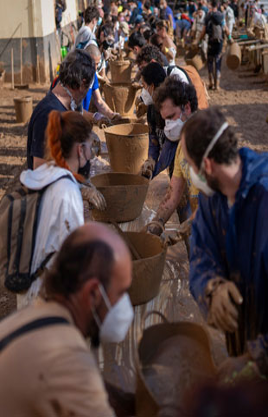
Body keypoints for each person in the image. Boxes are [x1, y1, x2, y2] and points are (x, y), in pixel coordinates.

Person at [0, 222, 134, 416]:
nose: (124, 303)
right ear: (94, 293)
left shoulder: (30, 317)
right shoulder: (67, 360)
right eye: (121, 292)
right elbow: (68, 373)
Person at [180, 107, 268, 379]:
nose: (192, 175)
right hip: (241, 336)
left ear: (206, 165)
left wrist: (258, 356)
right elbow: (201, 255)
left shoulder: (264, 196)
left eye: (190, 166)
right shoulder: (212, 198)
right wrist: (211, 288)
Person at [19, 110, 106, 308]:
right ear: (79, 150)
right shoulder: (67, 191)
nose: (91, 152)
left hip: (28, 284)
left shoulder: (40, 174)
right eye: (89, 146)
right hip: (47, 293)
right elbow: (72, 258)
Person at [144, 76, 199, 255]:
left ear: (187, 107)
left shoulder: (208, 142)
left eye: (171, 117)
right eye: (165, 120)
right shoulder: (182, 147)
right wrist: (156, 223)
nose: (168, 126)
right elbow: (173, 195)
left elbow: (217, 204)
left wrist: (183, 228)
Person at [27, 49, 95, 170]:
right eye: (87, 88)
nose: (85, 94)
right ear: (81, 84)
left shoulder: (63, 108)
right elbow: (40, 168)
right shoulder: (48, 115)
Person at [140, 62, 172, 179]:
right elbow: (153, 141)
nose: (143, 92)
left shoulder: (172, 108)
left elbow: (170, 149)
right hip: (170, 159)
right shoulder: (152, 110)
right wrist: (151, 161)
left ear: (152, 86)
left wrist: (155, 170)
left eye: (144, 86)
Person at [200, 0, 226, 90]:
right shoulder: (221, 15)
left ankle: (211, 83)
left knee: (210, 61)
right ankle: (217, 84)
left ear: (211, 5)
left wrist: (199, 40)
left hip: (211, 41)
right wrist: (229, 38)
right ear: (217, 5)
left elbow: (203, 31)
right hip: (220, 42)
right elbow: (226, 29)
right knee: (218, 61)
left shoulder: (208, 16)